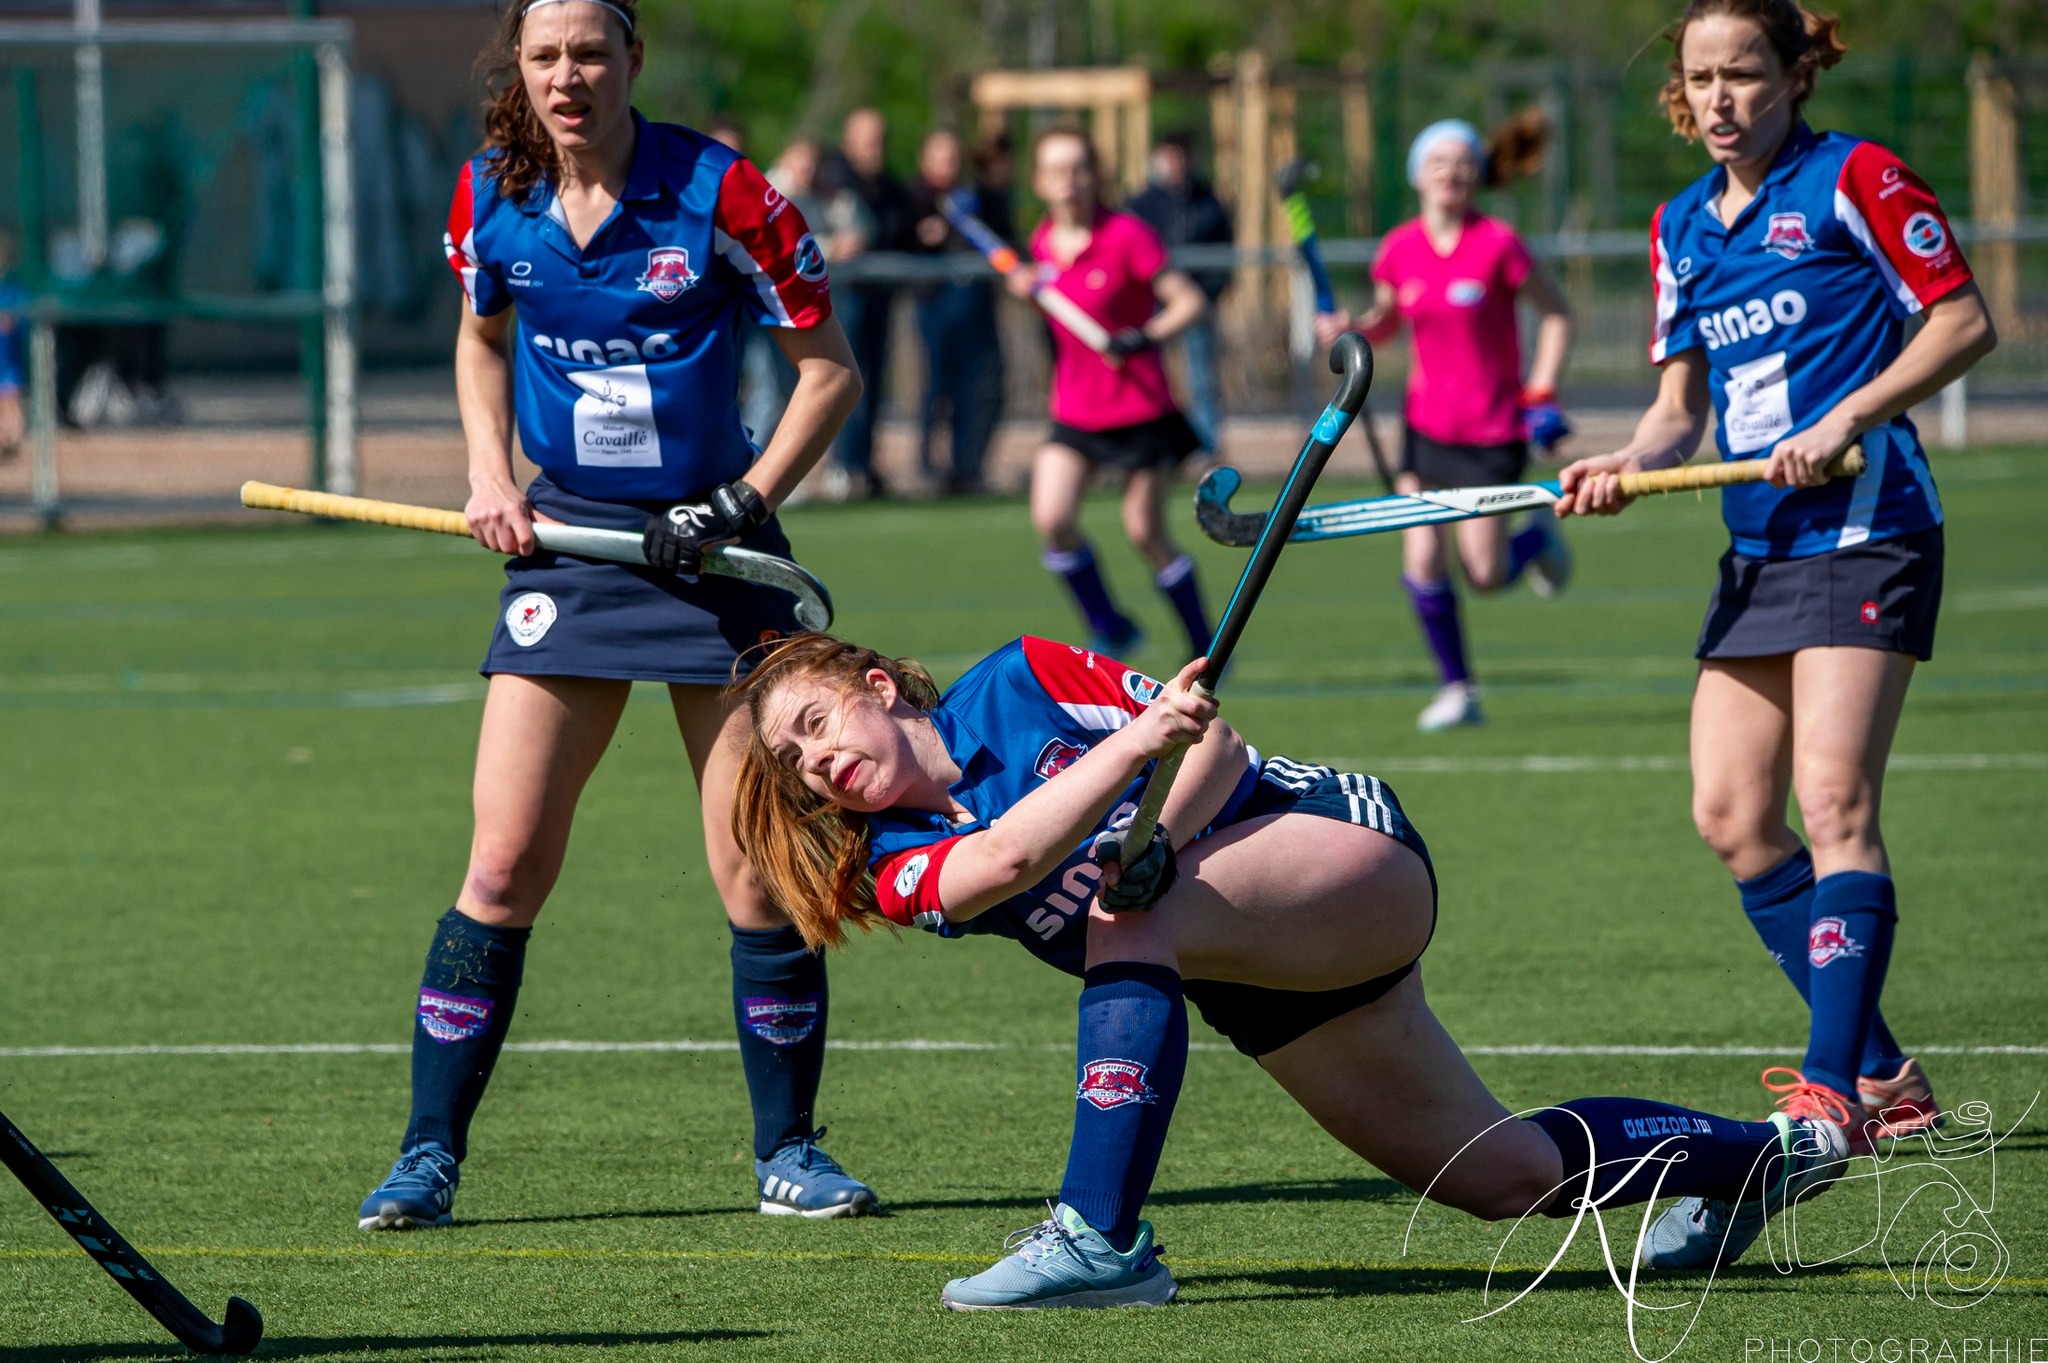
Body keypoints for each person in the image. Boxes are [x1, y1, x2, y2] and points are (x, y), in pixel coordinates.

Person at [726, 631, 1855, 1307]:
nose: (821, 759)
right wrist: (1133, 764)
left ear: (877, 684)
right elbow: (1003, 859)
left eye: (820, 720)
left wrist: (1164, 815)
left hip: (1336, 849)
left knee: (1130, 922)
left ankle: (1099, 1235)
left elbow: (1209, 748)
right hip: (1255, 968)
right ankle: (1771, 1158)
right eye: (797, 762)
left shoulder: (1021, 675)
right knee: (1493, 1176)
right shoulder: (889, 867)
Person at [353, 0, 878, 1232]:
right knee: (501, 862)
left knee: (757, 873)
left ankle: (789, 1153)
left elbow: (829, 372)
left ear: (631, 59)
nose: (568, 77)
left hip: (716, 551)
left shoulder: (724, 192)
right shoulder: (490, 196)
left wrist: (738, 503)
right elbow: (480, 343)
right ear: (519, 68)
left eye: (590, 52)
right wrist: (489, 475)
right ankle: (426, 1157)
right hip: (573, 549)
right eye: (544, 56)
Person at [1554, 0, 1996, 1266]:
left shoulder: (1852, 176)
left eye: (1743, 72)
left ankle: (1825, 1104)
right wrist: (1623, 465)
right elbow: (1673, 410)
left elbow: (1960, 320)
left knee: (1828, 801)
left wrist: (1847, 411)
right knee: (1730, 817)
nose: (1719, 99)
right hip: (1754, 548)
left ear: (1795, 73)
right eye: (1699, 79)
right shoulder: (1680, 225)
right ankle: (1884, 1077)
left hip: (1866, 527)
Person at [1315, 111, 1574, 732]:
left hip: (1493, 428)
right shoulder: (1399, 248)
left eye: (1463, 162)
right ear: (1419, 176)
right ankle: (1459, 689)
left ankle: (1537, 538)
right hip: (1426, 429)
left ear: (1477, 174)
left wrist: (1540, 390)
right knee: (1423, 554)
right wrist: (1349, 330)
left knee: (1484, 575)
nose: (1452, 172)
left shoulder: (1499, 244)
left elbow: (1557, 314)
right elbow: (1385, 320)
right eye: (1439, 162)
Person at [1018, 126, 1214, 660]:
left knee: (1144, 531)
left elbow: (1189, 301)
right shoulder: (1041, 245)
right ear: (1039, 182)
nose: (1070, 182)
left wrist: (1144, 336)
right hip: (1076, 410)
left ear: (1096, 174)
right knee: (1052, 518)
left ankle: (1207, 645)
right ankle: (1112, 625)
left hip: (1140, 407)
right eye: (1056, 171)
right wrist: (1029, 296)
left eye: (1079, 168)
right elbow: (1063, 315)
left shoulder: (1127, 234)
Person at [904, 128, 1005, 495]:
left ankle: (968, 465)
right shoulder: (915, 196)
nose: (950, 163)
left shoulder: (976, 197)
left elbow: (1001, 240)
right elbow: (897, 238)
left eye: (954, 155)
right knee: (936, 386)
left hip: (974, 305)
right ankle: (927, 466)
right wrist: (922, 236)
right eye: (941, 155)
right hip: (934, 304)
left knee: (974, 387)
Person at [820, 108, 912, 500]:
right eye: (868, 138)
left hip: (877, 299)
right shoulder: (833, 180)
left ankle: (862, 464)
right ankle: (840, 466)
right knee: (840, 381)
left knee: (872, 383)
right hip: (842, 300)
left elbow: (898, 230)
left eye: (880, 138)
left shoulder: (889, 186)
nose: (876, 147)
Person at [1125, 131, 1232, 455]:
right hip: (1153, 308)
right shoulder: (1140, 205)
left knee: (1201, 381)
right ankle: (1146, 448)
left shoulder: (1208, 202)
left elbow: (1224, 254)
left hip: (1195, 304)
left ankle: (1205, 450)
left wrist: (1208, 295)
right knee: (1144, 378)